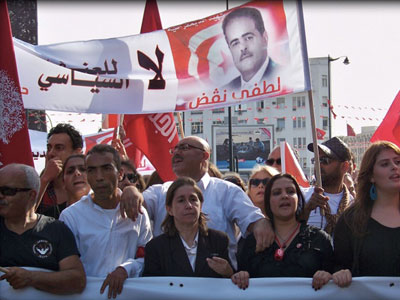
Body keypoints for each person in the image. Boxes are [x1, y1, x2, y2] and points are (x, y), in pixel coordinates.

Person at [120, 136, 274, 269]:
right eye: (174, 150)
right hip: (169, 287)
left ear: (204, 156)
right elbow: (137, 206)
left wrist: (260, 223)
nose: (176, 153)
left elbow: (254, 222)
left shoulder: (227, 191)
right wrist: (131, 191)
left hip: (216, 286)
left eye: (185, 148)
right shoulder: (160, 192)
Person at [59, 145, 152, 299]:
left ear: (120, 173)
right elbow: (67, 266)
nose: (99, 176)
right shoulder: (71, 216)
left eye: (106, 168)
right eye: (91, 170)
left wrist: (126, 269)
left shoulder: (139, 212)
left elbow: (147, 256)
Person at [232, 174, 333, 290]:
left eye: (290, 191)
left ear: (298, 199)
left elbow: (335, 276)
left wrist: (328, 276)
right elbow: (239, 279)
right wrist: (240, 276)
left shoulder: (319, 239)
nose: (284, 196)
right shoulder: (252, 242)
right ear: (268, 201)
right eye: (276, 193)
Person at [0, 164, 86, 295]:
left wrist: (31, 277)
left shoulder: (56, 230)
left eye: (7, 191)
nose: (0, 196)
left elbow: (77, 280)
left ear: (31, 195)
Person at [333, 141, 400, 287]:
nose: (395, 167)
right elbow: (337, 265)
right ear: (371, 176)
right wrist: (340, 273)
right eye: (385, 164)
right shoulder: (350, 221)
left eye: (398, 162)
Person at [143, 177, 233, 278]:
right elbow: (151, 287)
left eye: (193, 199)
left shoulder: (219, 240)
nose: (189, 205)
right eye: (181, 200)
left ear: (201, 205)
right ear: (169, 209)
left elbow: (230, 280)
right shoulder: (156, 248)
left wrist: (228, 272)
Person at [302, 137, 353, 235]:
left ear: (344, 166)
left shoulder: (353, 205)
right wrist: (306, 211)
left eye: (324, 160)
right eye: (316, 160)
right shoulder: (302, 197)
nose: (318, 165)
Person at [222, 7, 281, 90]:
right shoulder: (225, 91)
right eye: (235, 43)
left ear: (264, 38)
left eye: (248, 38)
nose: (242, 47)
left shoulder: (285, 76)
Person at [36, 123, 83, 218]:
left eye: (59, 148)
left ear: (77, 153)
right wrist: (45, 180)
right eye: (49, 148)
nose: (51, 153)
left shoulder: (86, 184)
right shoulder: (40, 185)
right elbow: (23, 216)